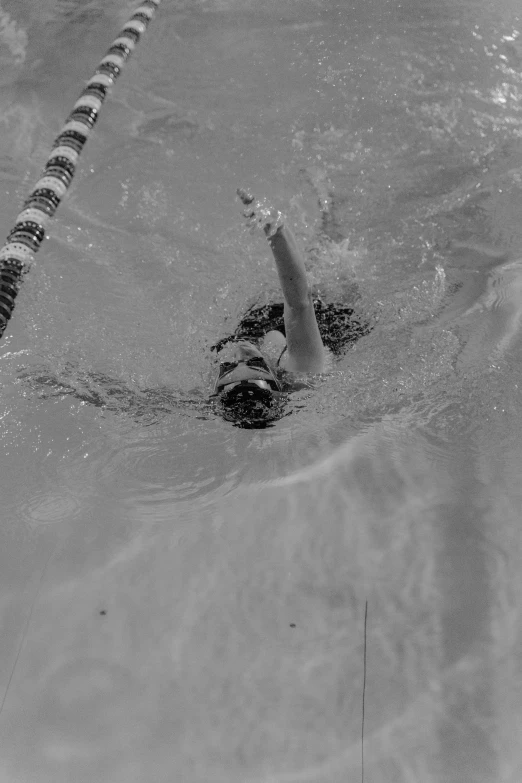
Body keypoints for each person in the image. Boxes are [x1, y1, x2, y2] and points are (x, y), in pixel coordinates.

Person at [211, 189, 327, 428]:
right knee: (325, 253)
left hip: (265, 323)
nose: (239, 354)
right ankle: (330, 206)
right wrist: (275, 230)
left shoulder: (239, 349)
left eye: (228, 366)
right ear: (275, 379)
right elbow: (299, 303)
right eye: (254, 363)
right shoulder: (303, 370)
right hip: (324, 318)